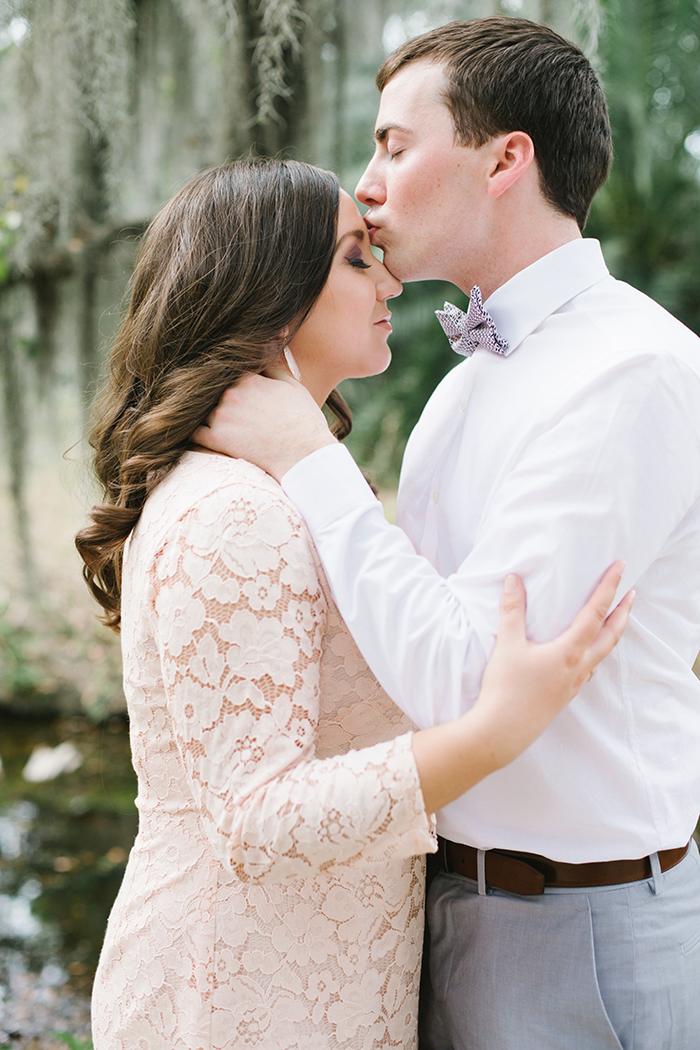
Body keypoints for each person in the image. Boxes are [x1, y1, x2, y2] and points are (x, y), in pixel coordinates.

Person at [195, 18, 700, 1050]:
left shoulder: (629, 373)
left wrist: (308, 459)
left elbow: (462, 682)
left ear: (506, 158)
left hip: (578, 927)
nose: (366, 183)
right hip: (442, 900)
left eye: (393, 144)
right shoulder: (461, 393)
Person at [75, 157, 630, 1050]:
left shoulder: (276, 488)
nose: (392, 278)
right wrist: (493, 732)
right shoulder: (233, 511)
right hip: (238, 995)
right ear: (268, 293)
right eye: (354, 258)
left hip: (322, 973)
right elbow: (256, 817)